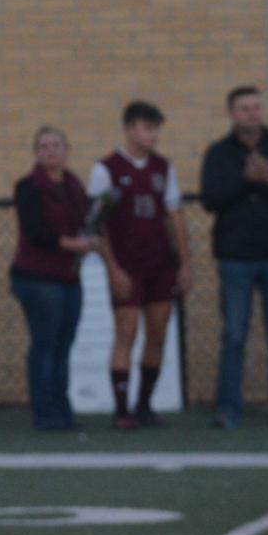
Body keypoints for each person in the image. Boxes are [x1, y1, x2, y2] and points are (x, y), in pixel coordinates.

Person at [199, 86, 268, 429]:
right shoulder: (219, 153)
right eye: (244, 108)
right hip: (235, 257)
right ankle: (228, 410)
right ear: (232, 113)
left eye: (256, 107)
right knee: (233, 335)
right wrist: (246, 180)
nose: (251, 113)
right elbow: (210, 200)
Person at [88, 102, 191, 429]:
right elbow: (96, 223)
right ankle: (121, 410)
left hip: (160, 263)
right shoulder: (107, 169)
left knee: (158, 335)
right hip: (127, 264)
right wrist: (112, 268)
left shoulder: (163, 168)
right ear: (130, 129)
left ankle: (144, 404)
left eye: (156, 128)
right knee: (126, 334)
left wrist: (185, 262)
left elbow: (175, 215)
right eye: (147, 128)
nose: (153, 135)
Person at [12, 127, 110, 432]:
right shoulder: (27, 186)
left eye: (56, 145)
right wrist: (72, 244)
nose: (50, 150)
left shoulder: (72, 184)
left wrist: (93, 231)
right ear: (36, 152)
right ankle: (45, 414)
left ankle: (63, 411)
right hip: (37, 279)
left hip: (68, 278)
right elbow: (35, 231)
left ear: (67, 150)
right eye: (43, 146)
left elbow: (84, 220)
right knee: (45, 345)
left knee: (63, 346)